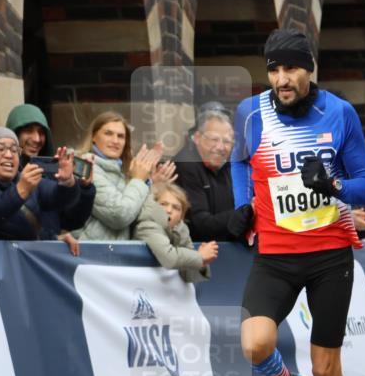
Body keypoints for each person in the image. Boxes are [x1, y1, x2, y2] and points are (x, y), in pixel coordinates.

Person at [231, 28, 365, 376]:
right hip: (274, 252)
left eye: (290, 68)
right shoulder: (250, 112)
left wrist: (334, 187)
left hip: (328, 253)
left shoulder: (339, 112)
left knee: (327, 366)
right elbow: (239, 160)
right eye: (273, 69)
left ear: (309, 69)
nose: (281, 78)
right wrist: (242, 205)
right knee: (256, 344)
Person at [3, 103, 97, 255]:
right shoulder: (1, 173)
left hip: (49, 259)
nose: (37, 138)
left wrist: (85, 188)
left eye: (41, 132)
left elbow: (72, 220)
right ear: (14, 133)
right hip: (15, 258)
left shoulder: (54, 172)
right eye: (28, 131)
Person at [71, 111, 171, 240]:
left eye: (121, 136)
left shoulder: (125, 172)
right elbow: (119, 215)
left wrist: (149, 183)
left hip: (117, 253)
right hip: (88, 253)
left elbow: (143, 217)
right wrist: (139, 180)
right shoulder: (84, 166)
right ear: (93, 137)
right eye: (108, 133)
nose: (115, 141)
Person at [0, 127, 81, 241]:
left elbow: (59, 198)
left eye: (14, 149)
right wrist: (21, 190)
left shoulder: (28, 179)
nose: (9, 155)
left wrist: (67, 181)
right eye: (0, 148)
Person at [174, 102, 254, 242]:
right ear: (197, 138)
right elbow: (201, 225)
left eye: (227, 142)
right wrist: (247, 211)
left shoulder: (230, 165)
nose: (220, 147)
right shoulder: (186, 165)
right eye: (214, 139)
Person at [134, 182, 218, 282]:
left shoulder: (181, 230)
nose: (169, 210)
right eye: (163, 204)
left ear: (181, 217)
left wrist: (203, 262)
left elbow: (188, 276)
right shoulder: (148, 225)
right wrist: (199, 256)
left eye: (176, 207)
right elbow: (169, 259)